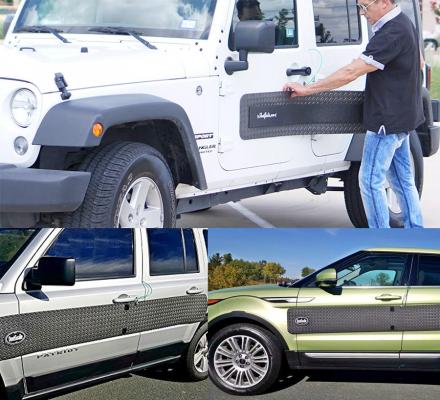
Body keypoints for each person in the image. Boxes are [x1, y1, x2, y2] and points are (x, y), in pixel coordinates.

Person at [283, 0, 424, 229]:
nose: (362, 13)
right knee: (402, 182)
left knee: (369, 182)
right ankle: (415, 229)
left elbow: (351, 72)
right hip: (403, 120)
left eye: (365, 6)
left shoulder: (392, 32)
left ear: (385, 3)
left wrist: (308, 90)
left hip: (385, 124)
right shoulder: (403, 23)